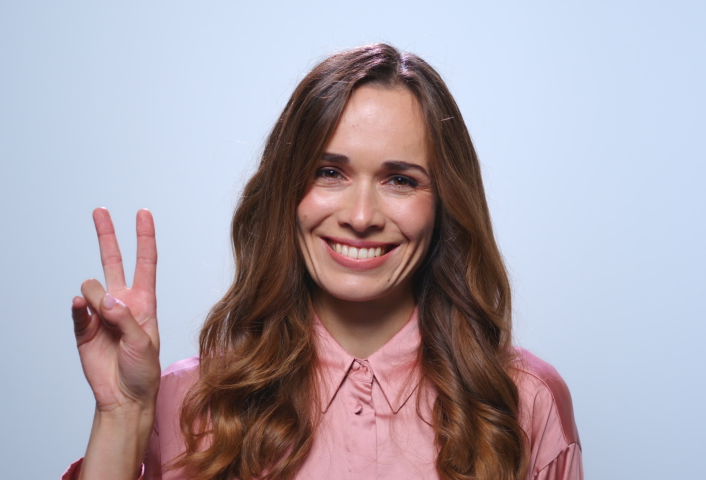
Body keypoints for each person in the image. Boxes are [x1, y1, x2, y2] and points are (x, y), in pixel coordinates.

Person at [63, 44, 583, 480]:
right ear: (287, 191)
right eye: (329, 172)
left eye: (400, 179)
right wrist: (122, 415)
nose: (360, 216)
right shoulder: (188, 400)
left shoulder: (523, 401)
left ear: (444, 203)